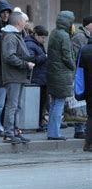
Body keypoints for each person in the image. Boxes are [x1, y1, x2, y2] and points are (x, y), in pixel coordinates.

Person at [1, 11, 35, 144]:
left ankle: (14, 131)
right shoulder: (11, 37)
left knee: (17, 105)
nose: (26, 23)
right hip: (13, 76)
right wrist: (25, 64)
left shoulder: (15, 35)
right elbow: (9, 56)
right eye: (24, 21)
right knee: (12, 105)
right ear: (19, 22)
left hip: (18, 76)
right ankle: (9, 133)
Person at [46, 11, 76, 141]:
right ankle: (55, 133)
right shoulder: (64, 36)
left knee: (54, 103)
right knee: (59, 103)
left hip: (53, 73)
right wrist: (73, 66)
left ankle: (51, 132)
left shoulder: (54, 32)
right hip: (62, 74)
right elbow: (66, 56)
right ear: (68, 22)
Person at [71, 16, 92, 139]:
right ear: (88, 25)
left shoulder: (84, 35)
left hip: (83, 73)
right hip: (82, 73)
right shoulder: (80, 36)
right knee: (80, 105)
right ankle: (79, 129)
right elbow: (78, 56)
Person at [25, 25, 49, 131]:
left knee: (42, 103)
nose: (44, 40)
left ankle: (40, 122)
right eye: (42, 37)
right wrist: (45, 56)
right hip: (36, 79)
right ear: (35, 35)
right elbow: (31, 59)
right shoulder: (30, 44)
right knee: (38, 103)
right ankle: (37, 123)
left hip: (41, 78)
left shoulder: (37, 44)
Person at [78, 38, 92, 152]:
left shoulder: (84, 49)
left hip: (88, 88)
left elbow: (79, 69)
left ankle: (88, 144)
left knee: (91, 116)